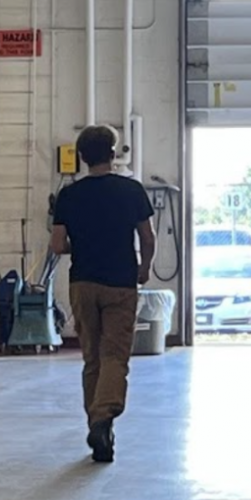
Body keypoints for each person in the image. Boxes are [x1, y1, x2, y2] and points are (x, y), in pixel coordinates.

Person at [51, 126, 156, 463]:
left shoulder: (68, 196)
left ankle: (100, 431)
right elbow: (148, 237)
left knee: (92, 358)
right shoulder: (131, 190)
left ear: (81, 157)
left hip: (82, 283)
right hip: (120, 282)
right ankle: (102, 419)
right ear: (113, 154)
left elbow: (56, 246)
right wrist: (145, 266)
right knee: (114, 356)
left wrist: (80, 243)